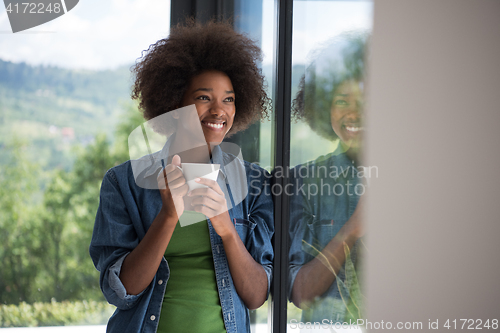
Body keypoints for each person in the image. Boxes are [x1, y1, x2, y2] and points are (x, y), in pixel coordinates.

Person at [89, 20, 274, 333]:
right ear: (174, 103)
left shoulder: (254, 182)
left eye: (228, 98)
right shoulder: (123, 182)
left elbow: (256, 296)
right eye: (204, 98)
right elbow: (121, 291)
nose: (219, 111)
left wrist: (227, 230)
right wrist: (168, 216)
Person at [288, 33, 368, 324]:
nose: (353, 112)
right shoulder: (303, 182)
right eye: (341, 100)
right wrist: (353, 228)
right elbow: (300, 292)